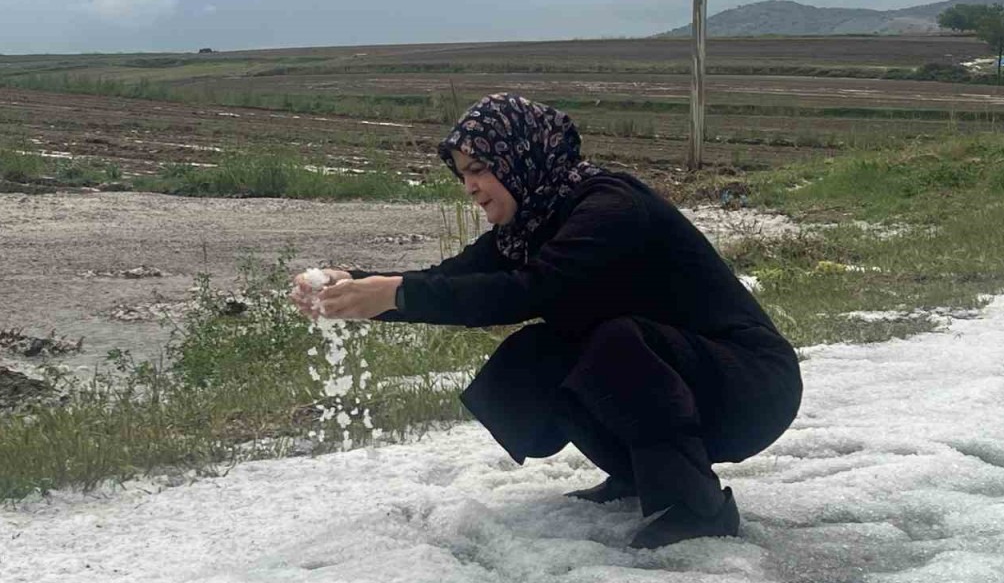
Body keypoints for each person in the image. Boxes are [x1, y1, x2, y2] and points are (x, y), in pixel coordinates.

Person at [291, 93, 802, 550]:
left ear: (520, 156)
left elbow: (534, 289)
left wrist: (395, 294)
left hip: (751, 386)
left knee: (613, 343)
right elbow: (450, 279)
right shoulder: (531, 220)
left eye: (480, 168)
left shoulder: (609, 208)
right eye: (463, 173)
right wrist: (354, 287)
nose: (470, 186)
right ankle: (638, 474)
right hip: (682, 378)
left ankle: (699, 508)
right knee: (551, 349)